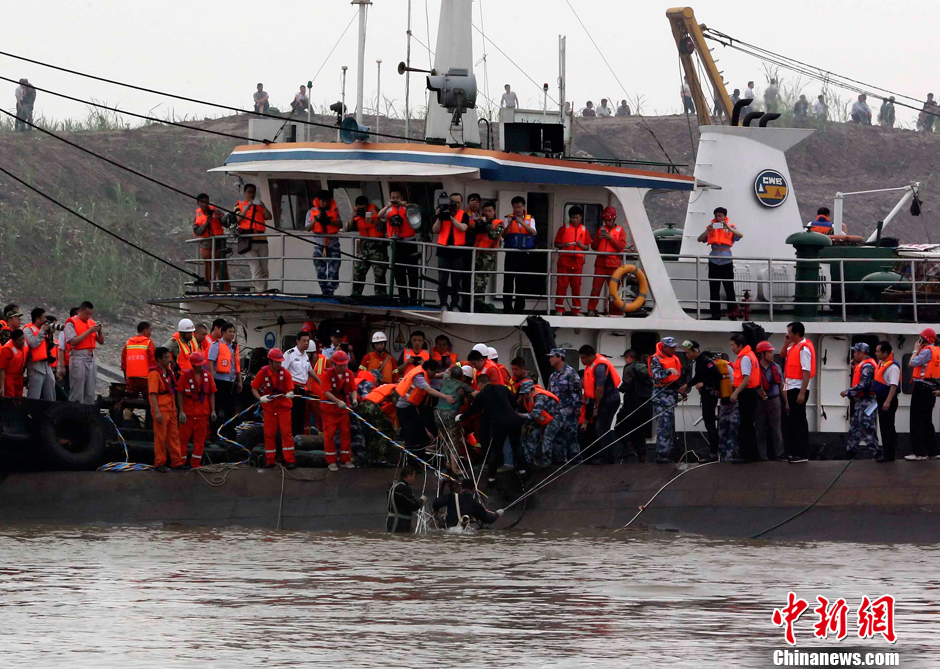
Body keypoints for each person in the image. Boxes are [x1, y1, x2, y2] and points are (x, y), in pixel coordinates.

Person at [458, 374, 525, 478]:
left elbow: (472, 410)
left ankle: (491, 478)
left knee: (496, 449)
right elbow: (515, 404)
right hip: (513, 420)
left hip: (498, 423)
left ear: (480, 384)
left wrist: (461, 417)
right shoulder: (502, 388)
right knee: (516, 445)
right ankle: (523, 470)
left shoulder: (481, 395)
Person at [251, 348, 297, 469]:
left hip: (284, 408)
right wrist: (260, 398)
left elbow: (291, 388)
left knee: (286, 434)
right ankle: (270, 460)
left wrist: (290, 393)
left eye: (280, 362)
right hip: (270, 409)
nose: (279, 364)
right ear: (270, 361)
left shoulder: (285, 373)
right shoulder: (263, 373)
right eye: (277, 362)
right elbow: (254, 388)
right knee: (269, 434)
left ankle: (290, 460)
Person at [396, 359, 453, 454]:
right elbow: (429, 390)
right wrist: (445, 396)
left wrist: (447, 373)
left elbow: (436, 375)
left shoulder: (423, 371)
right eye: (434, 372)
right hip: (405, 409)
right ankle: (411, 462)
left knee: (420, 433)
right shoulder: (419, 376)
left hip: (412, 408)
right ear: (429, 369)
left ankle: (418, 458)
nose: (434, 375)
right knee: (411, 435)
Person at [697, 206, 743, 320]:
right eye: (716, 216)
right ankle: (715, 314)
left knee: (729, 288)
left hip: (726, 260)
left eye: (720, 216)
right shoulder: (711, 228)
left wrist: (727, 227)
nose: (718, 218)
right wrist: (708, 230)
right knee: (714, 289)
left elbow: (740, 235)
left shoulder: (731, 227)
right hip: (714, 260)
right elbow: (700, 239)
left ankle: (733, 313)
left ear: (725, 217)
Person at [578, 345, 621, 464]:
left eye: (584, 358)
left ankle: (605, 458)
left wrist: (596, 407)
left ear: (591, 356)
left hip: (609, 400)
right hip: (602, 400)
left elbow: (599, 388)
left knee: (601, 428)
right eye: (581, 358)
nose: (582, 361)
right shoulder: (590, 365)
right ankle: (607, 456)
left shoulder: (600, 367)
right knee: (602, 428)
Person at [680, 341, 722, 459]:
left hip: (710, 394)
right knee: (708, 423)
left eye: (688, 353)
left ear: (695, 351)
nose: (687, 355)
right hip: (706, 395)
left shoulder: (705, 361)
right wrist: (687, 385)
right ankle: (713, 450)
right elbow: (698, 377)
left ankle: (713, 453)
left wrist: (703, 383)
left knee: (710, 424)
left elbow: (717, 375)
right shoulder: (698, 362)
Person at [378, 189, 420, 304]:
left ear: (401, 198)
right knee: (399, 273)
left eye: (397, 197)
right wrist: (387, 206)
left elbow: (417, 212)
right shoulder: (389, 210)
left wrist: (405, 205)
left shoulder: (408, 208)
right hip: (397, 244)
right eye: (393, 197)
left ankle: (414, 299)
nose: (395, 200)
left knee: (412, 272)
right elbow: (379, 215)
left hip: (410, 243)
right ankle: (403, 299)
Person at [177, 351, 217, 469]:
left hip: (202, 415)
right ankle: (180, 462)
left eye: (201, 364)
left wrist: (213, 410)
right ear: (193, 365)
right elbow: (179, 392)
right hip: (188, 414)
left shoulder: (208, 376)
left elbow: (211, 393)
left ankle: (196, 464)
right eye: (198, 365)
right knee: (182, 440)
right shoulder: (185, 376)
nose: (200, 367)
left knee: (200, 442)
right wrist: (181, 411)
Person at [905, 327, 940, 460]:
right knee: (927, 420)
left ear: (924, 340)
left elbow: (912, 363)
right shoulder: (937, 350)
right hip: (932, 387)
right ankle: (933, 451)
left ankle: (919, 452)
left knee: (916, 420)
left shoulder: (926, 351)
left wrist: (915, 350)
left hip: (921, 388)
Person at [841, 343, 880, 460]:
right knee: (855, 429)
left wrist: (848, 392)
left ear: (861, 353)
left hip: (867, 402)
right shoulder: (863, 365)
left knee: (867, 429)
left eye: (855, 352)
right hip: (861, 402)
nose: (854, 354)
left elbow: (864, 384)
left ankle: (877, 453)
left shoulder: (867, 366)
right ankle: (850, 453)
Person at [432, 192, 470, 312]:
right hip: (443, 251)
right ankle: (443, 303)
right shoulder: (442, 213)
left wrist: (451, 219)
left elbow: (463, 228)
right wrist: (440, 216)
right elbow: (435, 230)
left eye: (459, 202)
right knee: (442, 280)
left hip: (457, 253)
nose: (456, 205)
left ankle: (454, 304)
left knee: (456, 281)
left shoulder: (463, 215)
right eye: (454, 202)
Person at [782, 322, 814, 463]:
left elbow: (806, 372)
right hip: (791, 387)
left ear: (797, 333)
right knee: (793, 421)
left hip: (798, 388)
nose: (788, 334)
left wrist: (802, 392)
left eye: (789, 332)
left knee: (799, 420)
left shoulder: (804, 349)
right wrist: (786, 342)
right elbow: (783, 354)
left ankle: (801, 453)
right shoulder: (793, 346)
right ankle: (794, 451)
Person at [321, 350, 358, 471]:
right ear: (334, 364)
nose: (342, 367)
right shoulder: (327, 375)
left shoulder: (349, 374)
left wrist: (354, 399)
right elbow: (326, 392)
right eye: (340, 365)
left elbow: (353, 389)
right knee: (329, 435)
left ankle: (345, 459)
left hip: (343, 410)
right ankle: (331, 461)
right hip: (330, 410)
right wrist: (338, 402)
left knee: (346, 433)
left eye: (344, 365)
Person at [587, 206, 628, 316]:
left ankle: (615, 312)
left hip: (614, 264)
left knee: (614, 290)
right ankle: (591, 309)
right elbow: (594, 246)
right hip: (600, 262)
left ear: (614, 219)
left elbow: (621, 246)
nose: (607, 222)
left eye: (609, 220)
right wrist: (598, 238)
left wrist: (611, 239)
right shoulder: (600, 230)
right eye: (605, 220)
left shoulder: (620, 231)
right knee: (596, 288)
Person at [501, 196, 538, 314]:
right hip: (511, 254)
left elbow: (533, 232)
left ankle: (519, 307)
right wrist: (510, 224)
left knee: (521, 282)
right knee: (508, 282)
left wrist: (521, 222)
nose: (517, 209)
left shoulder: (530, 219)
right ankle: (507, 307)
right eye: (515, 207)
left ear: (523, 207)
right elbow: (503, 235)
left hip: (524, 254)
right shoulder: (507, 219)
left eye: (519, 207)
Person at [149, 347, 183, 472]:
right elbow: (152, 394)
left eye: (169, 357)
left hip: (171, 407)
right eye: (166, 357)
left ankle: (176, 461)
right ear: (159, 359)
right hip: (162, 408)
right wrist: (156, 411)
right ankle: (159, 463)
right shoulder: (154, 374)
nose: (169, 359)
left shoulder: (169, 371)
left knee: (174, 436)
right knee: (160, 437)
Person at [553, 206, 591, 316]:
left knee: (576, 286)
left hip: (578, 261)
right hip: (565, 260)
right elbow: (556, 243)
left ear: (581, 217)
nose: (574, 220)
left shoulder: (584, 230)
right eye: (572, 217)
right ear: (569, 217)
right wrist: (563, 245)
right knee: (561, 285)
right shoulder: (563, 228)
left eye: (577, 218)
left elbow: (587, 247)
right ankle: (559, 309)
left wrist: (581, 245)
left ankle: (576, 310)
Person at [435, 365, 475, 469]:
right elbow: (475, 393)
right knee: (453, 441)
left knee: (445, 440)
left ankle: (447, 463)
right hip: (451, 414)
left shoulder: (446, 378)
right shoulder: (462, 385)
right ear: (462, 377)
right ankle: (455, 468)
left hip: (438, 413)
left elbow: (447, 370)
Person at [616, 349, 652, 462]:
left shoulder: (629, 368)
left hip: (632, 403)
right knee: (639, 431)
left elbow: (627, 384)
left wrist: (619, 389)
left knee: (619, 426)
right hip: (645, 404)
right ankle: (642, 456)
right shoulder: (646, 369)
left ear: (628, 358)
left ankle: (628, 446)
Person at [516, 379, 561, 469]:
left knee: (546, 438)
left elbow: (535, 414)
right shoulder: (527, 399)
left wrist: (518, 415)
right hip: (541, 418)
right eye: (523, 393)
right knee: (529, 435)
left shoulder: (540, 397)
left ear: (531, 390)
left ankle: (546, 463)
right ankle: (529, 460)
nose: (524, 395)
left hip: (555, 418)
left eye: (526, 393)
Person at [283, 330, 321, 437]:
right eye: (304, 341)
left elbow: (309, 370)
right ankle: (289, 437)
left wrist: (319, 382)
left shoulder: (305, 355)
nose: (306, 343)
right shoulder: (289, 354)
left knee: (301, 416)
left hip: (302, 390)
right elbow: (282, 371)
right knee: (292, 416)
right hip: (292, 389)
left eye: (307, 341)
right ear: (297, 341)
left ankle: (298, 438)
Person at [649, 337, 681, 463]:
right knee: (664, 426)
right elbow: (656, 375)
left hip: (671, 395)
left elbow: (676, 377)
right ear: (664, 347)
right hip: (661, 397)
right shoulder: (656, 359)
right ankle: (662, 455)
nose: (674, 349)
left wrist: (681, 391)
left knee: (670, 426)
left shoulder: (673, 358)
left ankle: (670, 452)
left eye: (674, 347)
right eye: (671, 347)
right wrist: (667, 371)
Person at [235, 183, 272, 292]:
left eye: (253, 192)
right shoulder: (239, 204)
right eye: (249, 192)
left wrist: (263, 207)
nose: (251, 194)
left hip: (262, 241)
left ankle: (264, 289)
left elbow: (269, 217)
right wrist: (248, 207)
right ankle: (260, 290)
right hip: (248, 241)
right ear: (244, 193)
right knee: (256, 268)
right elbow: (238, 219)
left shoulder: (260, 206)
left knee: (264, 268)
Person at [728, 334, 759, 462]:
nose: (732, 348)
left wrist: (735, 393)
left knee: (745, 425)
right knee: (749, 425)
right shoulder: (750, 355)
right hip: (751, 392)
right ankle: (752, 454)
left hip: (747, 393)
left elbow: (746, 378)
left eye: (733, 345)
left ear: (740, 345)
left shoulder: (745, 358)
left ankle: (745, 455)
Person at [306, 190, 343, 297]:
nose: (324, 203)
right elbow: (308, 227)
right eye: (322, 201)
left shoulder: (335, 211)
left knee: (334, 269)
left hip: (333, 245)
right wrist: (316, 219)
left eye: (327, 201)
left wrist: (329, 221)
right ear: (319, 200)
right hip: (319, 246)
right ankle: (324, 291)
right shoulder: (311, 212)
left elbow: (340, 224)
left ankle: (330, 291)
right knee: (320, 270)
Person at [547, 348, 582, 463]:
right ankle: (561, 464)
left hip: (568, 413)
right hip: (556, 414)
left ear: (559, 357)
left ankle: (577, 464)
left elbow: (576, 392)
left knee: (571, 439)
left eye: (552, 356)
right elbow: (549, 394)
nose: (550, 359)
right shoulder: (552, 376)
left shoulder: (571, 373)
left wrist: (576, 408)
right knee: (557, 440)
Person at [207, 322, 242, 435]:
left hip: (230, 382)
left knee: (230, 409)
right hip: (219, 381)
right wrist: (211, 379)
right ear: (223, 333)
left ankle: (229, 432)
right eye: (230, 332)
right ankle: (214, 433)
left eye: (233, 332)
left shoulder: (234, 347)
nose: (232, 334)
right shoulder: (216, 345)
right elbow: (211, 363)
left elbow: (236, 365)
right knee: (216, 408)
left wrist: (239, 380)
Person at [65, 301, 103, 405]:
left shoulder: (91, 322)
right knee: (77, 390)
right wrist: (89, 331)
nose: (88, 316)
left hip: (91, 356)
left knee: (90, 391)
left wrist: (99, 332)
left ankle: (88, 415)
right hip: (79, 356)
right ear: (80, 311)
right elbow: (72, 341)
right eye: (86, 314)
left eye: (90, 314)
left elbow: (101, 341)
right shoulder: (71, 322)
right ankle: (75, 414)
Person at [349, 195, 387, 297]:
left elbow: (384, 226)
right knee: (358, 272)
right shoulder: (356, 214)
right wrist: (353, 217)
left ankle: (381, 296)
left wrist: (373, 221)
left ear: (367, 206)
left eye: (364, 208)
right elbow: (347, 228)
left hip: (378, 245)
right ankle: (356, 295)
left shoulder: (375, 211)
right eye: (359, 208)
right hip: (364, 246)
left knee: (379, 274)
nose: (362, 210)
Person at [754, 340, 785, 461]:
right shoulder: (755, 368)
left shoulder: (776, 367)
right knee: (760, 429)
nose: (772, 354)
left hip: (774, 400)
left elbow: (782, 385)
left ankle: (779, 454)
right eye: (769, 352)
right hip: (760, 402)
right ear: (762, 354)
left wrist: (786, 402)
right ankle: (762, 456)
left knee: (776, 429)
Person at [193, 193, 230, 291]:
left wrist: (220, 218)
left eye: (207, 202)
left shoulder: (216, 211)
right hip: (206, 246)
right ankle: (212, 290)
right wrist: (206, 223)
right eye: (202, 202)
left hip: (218, 246)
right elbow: (197, 232)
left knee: (222, 270)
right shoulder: (197, 216)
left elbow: (227, 224)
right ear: (198, 203)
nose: (205, 204)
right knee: (208, 271)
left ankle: (226, 290)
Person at [432, 478, 502, 529]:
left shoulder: (452, 496)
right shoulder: (475, 504)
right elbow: (488, 520)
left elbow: (435, 503)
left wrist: (436, 512)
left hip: (449, 530)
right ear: (473, 490)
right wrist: (498, 514)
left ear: (461, 488)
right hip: (464, 532)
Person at [471, 200, 502, 310]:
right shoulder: (480, 221)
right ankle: (473, 303)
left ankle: (479, 305)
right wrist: (479, 222)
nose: (488, 213)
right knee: (473, 280)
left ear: (494, 212)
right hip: (477, 253)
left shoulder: (499, 223)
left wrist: (487, 224)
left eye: (490, 211)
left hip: (487, 256)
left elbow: (494, 235)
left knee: (481, 281)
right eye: (486, 211)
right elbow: (472, 231)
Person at [873, 341, 899, 463]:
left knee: (888, 427)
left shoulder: (892, 367)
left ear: (885, 353)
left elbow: (893, 385)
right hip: (881, 398)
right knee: (884, 426)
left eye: (878, 351)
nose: (876, 353)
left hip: (888, 399)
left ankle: (889, 454)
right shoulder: (882, 364)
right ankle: (887, 453)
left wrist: (888, 401)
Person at [360, 381, 398, 465]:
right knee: (386, 431)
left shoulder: (387, 386)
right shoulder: (396, 389)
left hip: (364, 406)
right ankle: (381, 458)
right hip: (372, 408)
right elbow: (398, 405)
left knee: (374, 433)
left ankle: (372, 457)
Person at [23, 307, 55, 401]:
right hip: (35, 367)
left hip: (46, 366)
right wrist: (41, 332)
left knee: (51, 396)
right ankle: (30, 414)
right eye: (44, 317)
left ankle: (51, 414)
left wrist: (50, 335)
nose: (46, 320)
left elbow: (49, 347)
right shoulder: (27, 330)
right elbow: (33, 344)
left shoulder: (44, 330)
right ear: (37, 319)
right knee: (34, 397)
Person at [121, 321, 156, 396]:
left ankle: (129, 407)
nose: (150, 333)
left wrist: (126, 380)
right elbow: (153, 363)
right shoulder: (149, 343)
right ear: (145, 330)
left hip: (131, 380)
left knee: (131, 398)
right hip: (145, 381)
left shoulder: (128, 343)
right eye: (150, 330)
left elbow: (123, 364)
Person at [387, 466, 426, 532]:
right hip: (398, 523)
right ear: (408, 476)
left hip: (394, 522)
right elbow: (414, 505)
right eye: (414, 476)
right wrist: (422, 500)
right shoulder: (403, 488)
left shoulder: (395, 486)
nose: (415, 478)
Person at [0, 329, 27, 398]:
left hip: (19, 376)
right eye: (20, 340)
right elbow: (1, 369)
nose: (22, 341)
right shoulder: (7, 349)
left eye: (23, 338)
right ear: (14, 341)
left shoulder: (23, 346)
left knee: (19, 397)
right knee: (10, 397)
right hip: (9, 377)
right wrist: (2, 387)